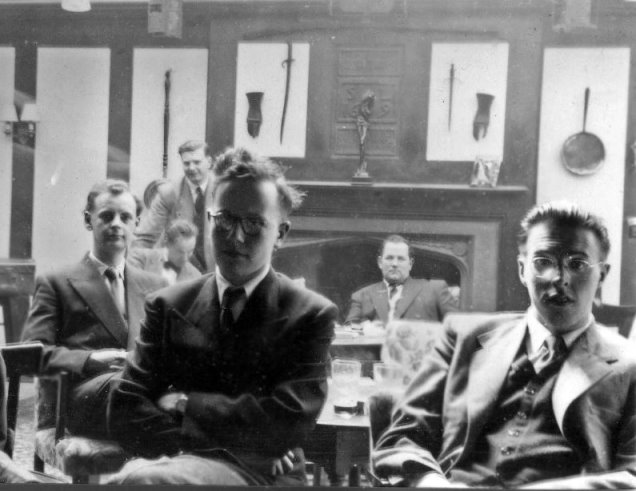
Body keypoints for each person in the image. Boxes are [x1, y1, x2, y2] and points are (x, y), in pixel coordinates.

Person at [107, 147, 337, 486]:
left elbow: (286, 422)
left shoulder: (309, 314)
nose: (236, 236)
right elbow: (125, 409)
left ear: (281, 234)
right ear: (209, 220)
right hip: (203, 461)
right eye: (225, 219)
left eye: (254, 224)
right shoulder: (168, 304)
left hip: (269, 479)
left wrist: (186, 404)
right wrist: (227, 448)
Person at [372, 200, 636, 489]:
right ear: (522, 270)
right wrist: (434, 483)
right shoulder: (465, 337)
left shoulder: (628, 365)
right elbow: (401, 438)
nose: (559, 279)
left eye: (577, 264)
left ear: (602, 275)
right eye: (543, 262)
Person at [21, 180, 167, 438]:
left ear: (136, 224)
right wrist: (88, 360)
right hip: (83, 398)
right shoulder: (57, 282)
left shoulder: (155, 286)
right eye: (107, 216)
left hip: (139, 391)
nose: (116, 224)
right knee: (132, 389)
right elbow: (30, 354)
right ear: (89, 220)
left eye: (125, 217)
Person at [133, 140, 215, 273]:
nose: (191, 168)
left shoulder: (223, 190)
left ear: (209, 162)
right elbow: (145, 237)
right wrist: (135, 271)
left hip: (215, 270)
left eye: (197, 162)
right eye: (186, 163)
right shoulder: (168, 193)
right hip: (179, 271)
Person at [345, 235, 458, 326]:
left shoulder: (434, 289)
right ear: (380, 262)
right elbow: (349, 331)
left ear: (410, 264)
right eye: (389, 258)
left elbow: (459, 328)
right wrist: (365, 329)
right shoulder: (361, 295)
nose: (394, 264)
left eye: (401, 259)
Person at [128, 219, 201, 285]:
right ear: (167, 243)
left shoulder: (196, 276)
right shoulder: (140, 258)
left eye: (190, 252)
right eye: (180, 252)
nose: (185, 258)